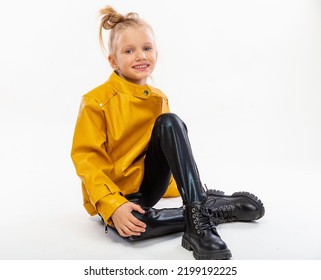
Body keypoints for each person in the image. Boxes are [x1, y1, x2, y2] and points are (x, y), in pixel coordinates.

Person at [71, 5, 265, 260]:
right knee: (135, 231)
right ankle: (211, 212)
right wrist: (113, 205)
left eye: (146, 48)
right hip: (116, 193)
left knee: (170, 122)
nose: (140, 56)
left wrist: (190, 190)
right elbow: (88, 161)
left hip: (148, 188)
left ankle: (198, 218)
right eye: (129, 51)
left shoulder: (158, 98)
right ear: (113, 60)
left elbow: (167, 151)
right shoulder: (96, 101)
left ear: (156, 53)